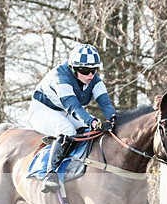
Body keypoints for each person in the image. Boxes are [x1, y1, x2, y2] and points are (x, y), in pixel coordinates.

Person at [27, 43, 117, 192]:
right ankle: (50, 175)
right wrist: (93, 121)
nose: (90, 75)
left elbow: (105, 103)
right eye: (85, 70)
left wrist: (113, 118)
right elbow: (73, 107)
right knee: (67, 130)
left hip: (63, 111)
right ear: (73, 68)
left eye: (93, 70)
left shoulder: (94, 80)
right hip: (42, 110)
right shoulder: (61, 77)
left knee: (87, 130)